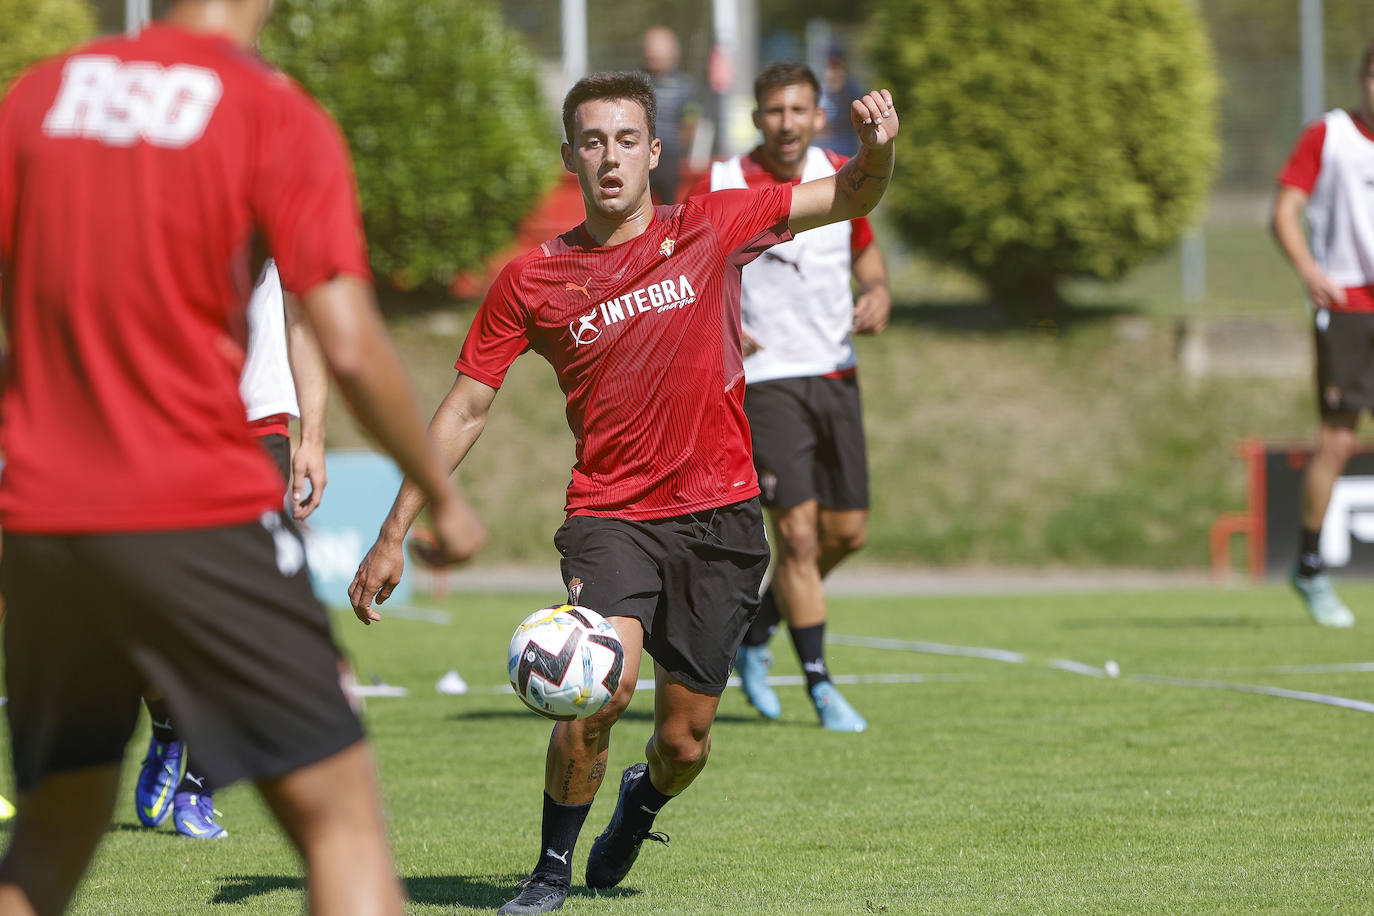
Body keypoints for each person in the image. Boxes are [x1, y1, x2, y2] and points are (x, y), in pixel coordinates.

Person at [348, 69, 899, 915]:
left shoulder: (711, 225)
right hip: (612, 516)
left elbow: (852, 193)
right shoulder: (531, 281)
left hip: (721, 518)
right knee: (596, 684)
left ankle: (642, 802)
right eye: (594, 141)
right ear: (571, 155)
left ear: (654, 152)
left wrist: (877, 149)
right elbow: (464, 409)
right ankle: (548, 871)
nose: (611, 157)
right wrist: (394, 533)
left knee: (685, 742)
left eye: (628, 140)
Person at [0, 1, 485, 913]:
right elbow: (344, 334)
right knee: (342, 825)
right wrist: (438, 492)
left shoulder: (42, 97)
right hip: (190, 505)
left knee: (52, 838)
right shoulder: (269, 110)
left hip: (42, 519)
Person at [690, 62, 890, 730]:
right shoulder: (718, 184)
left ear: (818, 115)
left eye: (798, 110)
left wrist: (878, 293)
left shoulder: (843, 176)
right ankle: (821, 687)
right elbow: (681, 271)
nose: (786, 123)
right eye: (774, 111)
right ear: (756, 117)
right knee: (798, 538)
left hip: (835, 373)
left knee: (847, 533)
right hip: (764, 382)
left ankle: (757, 630)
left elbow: (865, 252)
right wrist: (716, 325)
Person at [134, 259, 330, 840]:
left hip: (254, 427)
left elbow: (303, 316)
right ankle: (169, 723)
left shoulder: (270, 188)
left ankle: (202, 784)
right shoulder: (138, 178)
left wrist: (313, 435)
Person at [1272, 38, 1374, 628]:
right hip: (1348, 304)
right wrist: (1310, 269)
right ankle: (1309, 566)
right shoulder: (1328, 136)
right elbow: (1284, 209)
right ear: (1361, 77)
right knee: (1337, 440)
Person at [641, 25, 698, 205]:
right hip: (640, 154)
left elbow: (690, 122)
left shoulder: (685, 85)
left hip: (670, 157)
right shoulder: (635, 80)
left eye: (658, 49)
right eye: (650, 48)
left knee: (669, 208)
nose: (653, 54)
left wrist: (680, 151)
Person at [817, 45, 862, 159]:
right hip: (823, 153)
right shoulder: (817, 92)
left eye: (838, 66)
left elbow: (857, 124)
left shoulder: (852, 91)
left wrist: (841, 93)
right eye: (831, 66)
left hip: (846, 154)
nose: (835, 71)